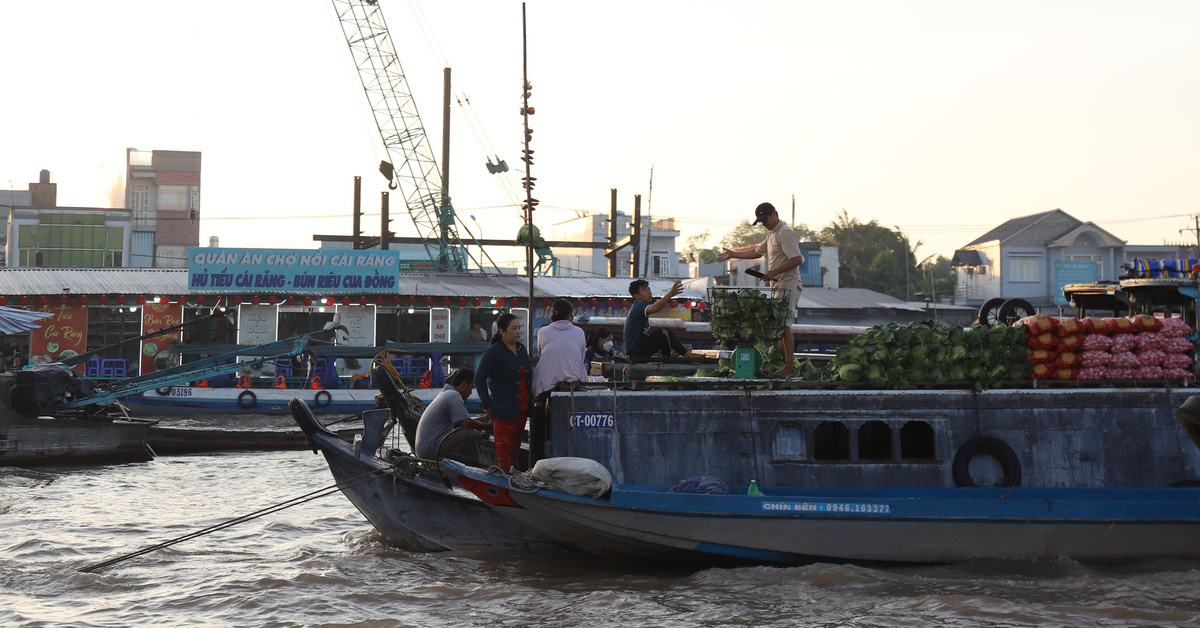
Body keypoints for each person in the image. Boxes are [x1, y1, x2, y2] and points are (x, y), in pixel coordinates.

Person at [716, 201, 805, 377]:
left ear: (775, 214)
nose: (763, 224)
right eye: (761, 221)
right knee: (778, 328)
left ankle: (789, 368)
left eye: (765, 219)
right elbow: (757, 252)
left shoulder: (785, 233)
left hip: (788, 283)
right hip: (778, 285)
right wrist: (733, 254)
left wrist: (774, 272)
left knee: (784, 326)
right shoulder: (773, 234)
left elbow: (797, 259)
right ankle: (786, 364)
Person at [474, 312, 532, 470]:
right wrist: (487, 405)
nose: (519, 332)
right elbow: (479, 379)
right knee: (504, 450)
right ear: (502, 331)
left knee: (516, 447)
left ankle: (513, 479)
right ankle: (504, 478)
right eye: (514, 328)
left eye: (519, 328)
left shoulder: (521, 349)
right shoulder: (493, 352)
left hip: (522, 407)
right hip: (503, 407)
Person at [413, 368, 491, 460]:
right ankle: (448, 462)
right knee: (469, 433)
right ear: (464, 384)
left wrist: (482, 419)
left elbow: (459, 423)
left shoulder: (446, 393)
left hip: (423, 449)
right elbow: (466, 423)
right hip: (431, 449)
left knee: (464, 431)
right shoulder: (454, 396)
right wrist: (489, 426)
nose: (470, 392)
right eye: (471, 387)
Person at [623, 279, 700, 359]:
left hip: (638, 350)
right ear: (637, 296)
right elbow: (654, 309)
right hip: (634, 352)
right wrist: (670, 294)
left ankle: (666, 355)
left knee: (661, 335)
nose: (649, 292)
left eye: (649, 289)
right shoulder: (638, 306)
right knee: (663, 332)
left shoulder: (640, 307)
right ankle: (685, 354)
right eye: (645, 290)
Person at [532, 299, 588, 398]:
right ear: (570, 315)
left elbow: (541, 355)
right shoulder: (579, 332)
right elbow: (580, 359)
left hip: (545, 385)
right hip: (572, 385)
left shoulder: (543, 331)